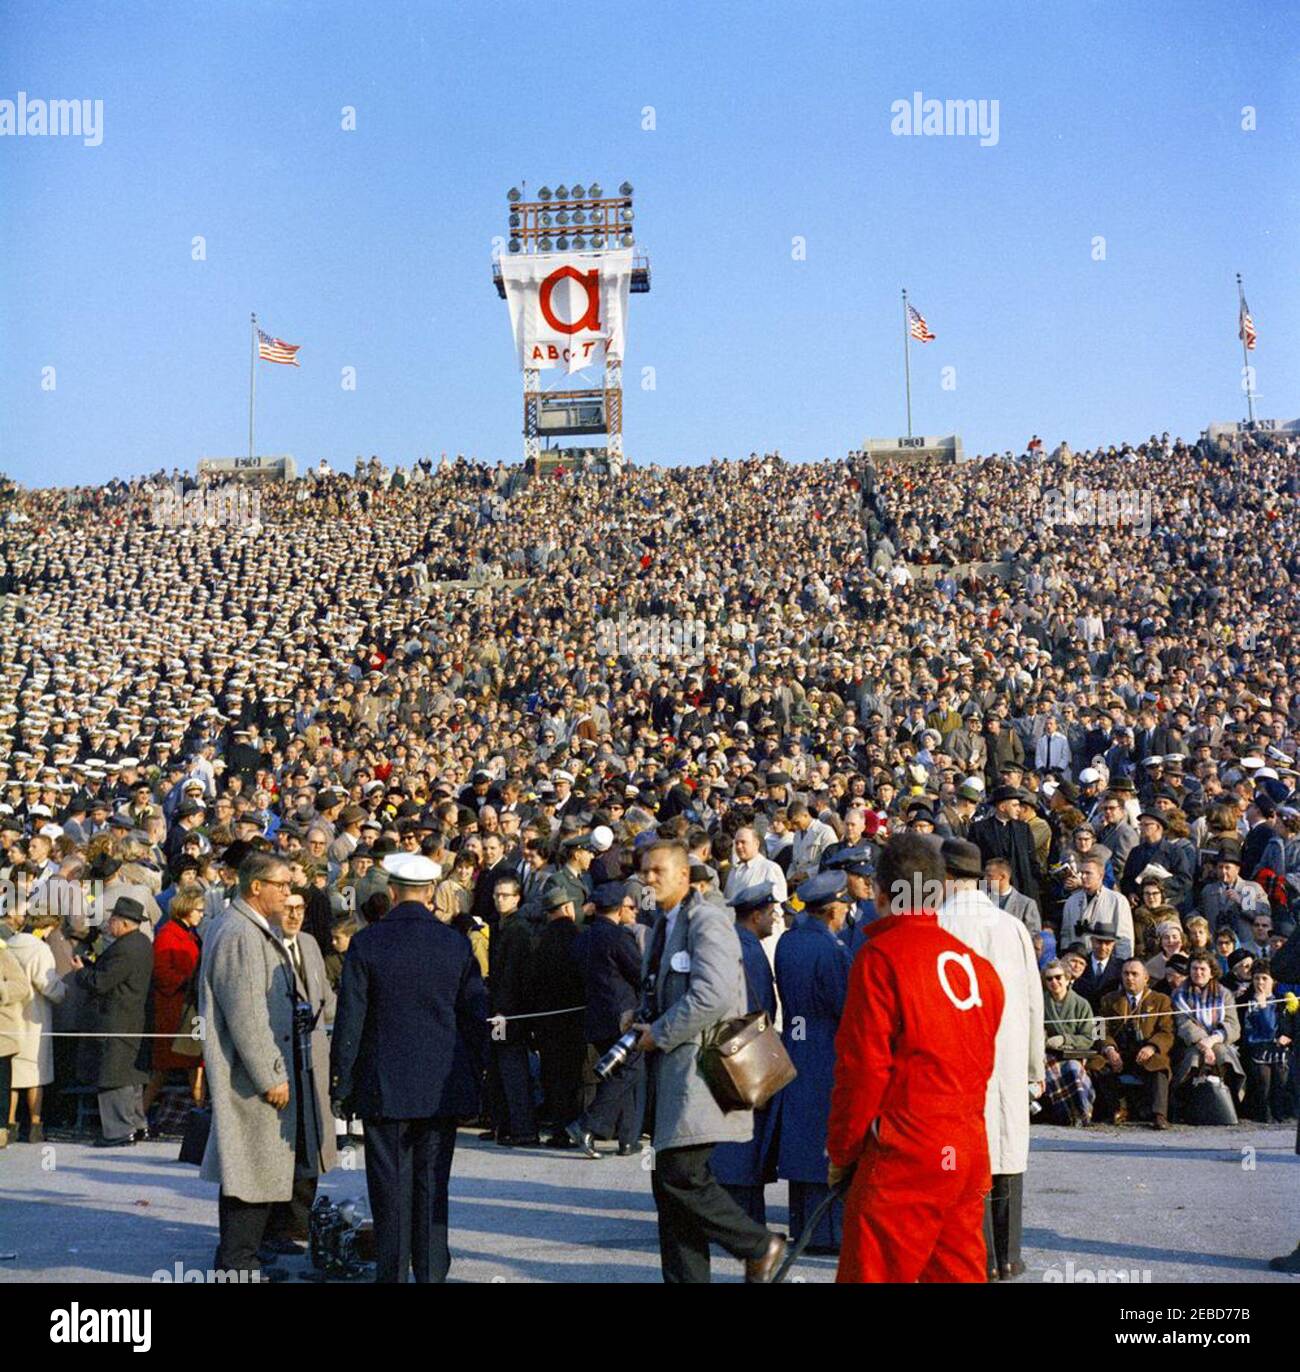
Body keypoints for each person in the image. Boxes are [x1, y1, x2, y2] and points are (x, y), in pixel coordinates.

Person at [827, 831, 1004, 1283]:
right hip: (964, 1146)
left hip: (907, 1152)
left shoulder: (880, 957)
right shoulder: (977, 969)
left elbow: (862, 1068)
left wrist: (843, 1149)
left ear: (881, 893)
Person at [629, 839, 786, 1283]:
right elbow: (672, 990)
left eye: (658, 870)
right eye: (644, 871)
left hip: (700, 1071)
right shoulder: (664, 923)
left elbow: (713, 995)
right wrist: (641, 1015)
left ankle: (758, 1245)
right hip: (674, 1074)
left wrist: (659, 1033)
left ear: (685, 876)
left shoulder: (706, 919)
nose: (649, 878)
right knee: (670, 1188)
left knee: (682, 1176)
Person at [330, 853, 487, 1283]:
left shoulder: (367, 943)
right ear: (432, 893)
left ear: (393, 893)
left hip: (385, 1086)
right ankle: (432, 1271)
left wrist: (341, 1082)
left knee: (390, 1189)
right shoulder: (455, 943)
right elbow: (476, 1017)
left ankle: (393, 1272)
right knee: (433, 1184)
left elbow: (351, 1021)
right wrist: (476, 1081)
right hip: (441, 1086)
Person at [198, 853, 327, 1277]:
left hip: (255, 1073)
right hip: (250, 1078)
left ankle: (240, 1258)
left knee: (254, 1167)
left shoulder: (248, 928)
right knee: (250, 1171)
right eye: (283, 886)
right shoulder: (240, 933)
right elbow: (247, 1015)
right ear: (257, 887)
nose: (289, 894)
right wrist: (271, 1074)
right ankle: (238, 1265)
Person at [936, 838, 1045, 1282]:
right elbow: (1035, 1002)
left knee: (966, 1155)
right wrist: (1035, 1067)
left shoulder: (936, 924)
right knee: (1006, 1146)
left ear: (945, 877)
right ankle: (1008, 1256)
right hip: (1008, 1053)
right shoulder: (1011, 926)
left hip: (955, 1056)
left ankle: (975, 1257)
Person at [771, 870, 854, 1253]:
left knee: (801, 1136)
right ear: (832, 910)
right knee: (824, 1136)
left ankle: (801, 1223)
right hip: (826, 1047)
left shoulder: (788, 942)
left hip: (796, 1042)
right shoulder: (832, 951)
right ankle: (829, 1231)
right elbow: (844, 1006)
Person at [263, 885, 336, 1253]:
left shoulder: (309, 945)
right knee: (279, 1150)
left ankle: (298, 1225)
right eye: (288, 908)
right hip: (279, 1063)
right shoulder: (264, 945)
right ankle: (275, 1229)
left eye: (300, 908)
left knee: (311, 1147)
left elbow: (325, 998)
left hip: (312, 1063)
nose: (294, 915)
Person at [711, 884, 780, 1224]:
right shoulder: (749, 952)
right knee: (745, 1141)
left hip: (727, 1050)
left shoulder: (734, 942)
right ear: (756, 916)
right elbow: (753, 1013)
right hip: (746, 1054)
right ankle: (743, 1219)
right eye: (771, 913)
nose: (775, 918)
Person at [567, 880, 643, 1157]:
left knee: (621, 1075)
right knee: (628, 1071)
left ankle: (627, 1138)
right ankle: (587, 1124)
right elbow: (639, 973)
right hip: (622, 1015)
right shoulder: (618, 938)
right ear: (619, 908)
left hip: (594, 1016)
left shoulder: (583, 937)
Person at [71, 896, 153, 1147]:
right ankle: (137, 1126)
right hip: (130, 1018)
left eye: (113, 920)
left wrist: (81, 972)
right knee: (131, 1077)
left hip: (117, 1019)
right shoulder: (141, 942)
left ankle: (118, 1131)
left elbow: (102, 982)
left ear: (125, 923)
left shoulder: (126, 948)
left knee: (114, 1076)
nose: (109, 924)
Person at [482, 874, 540, 1146]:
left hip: (510, 1013)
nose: (499, 899)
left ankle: (522, 1128)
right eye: (496, 895)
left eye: (504, 895)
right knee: (498, 1069)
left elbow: (516, 978)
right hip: (499, 1008)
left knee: (512, 1070)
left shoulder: (519, 930)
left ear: (517, 898)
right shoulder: (501, 926)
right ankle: (502, 1124)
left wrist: (505, 1013)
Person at [3, 906, 66, 1142]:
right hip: (34, 1017)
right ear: (46, 927)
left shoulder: (8, 944)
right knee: (35, 1074)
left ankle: (9, 1124)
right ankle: (35, 1125)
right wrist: (64, 988)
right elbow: (48, 985)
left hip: (10, 1017)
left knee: (12, 1075)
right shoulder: (40, 950)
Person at [142, 887, 205, 1115]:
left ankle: (200, 1111)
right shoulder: (168, 935)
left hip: (189, 1009)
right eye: (198, 910)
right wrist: (187, 981)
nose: (201, 914)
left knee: (196, 1064)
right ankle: (141, 1113)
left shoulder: (190, 934)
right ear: (186, 910)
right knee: (164, 1069)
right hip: (174, 1010)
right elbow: (160, 972)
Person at [1090, 959, 1174, 1129]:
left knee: (1160, 1064)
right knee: (1096, 1064)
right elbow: (1098, 1030)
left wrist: (1152, 1047)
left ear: (1146, 978)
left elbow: (1167, 1031)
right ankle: (1118, 1108)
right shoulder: (1108, 1000)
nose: (1130, 978)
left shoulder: (1160, 1000)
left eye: (1135, 974)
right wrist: (1109, 1049)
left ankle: (1159, 1114)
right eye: (1126, 974)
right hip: (1119, 1052)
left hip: (1146, 1052)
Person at [1170, 950, 1245, 1120]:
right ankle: (1187, 1106)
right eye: (1194, 968)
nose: (1198, 973)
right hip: (1190, 1043)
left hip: (1219, 1040)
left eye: (1203, 969)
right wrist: (1204, 1045)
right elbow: (1183, 1024)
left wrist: (1212, 1041)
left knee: (1223, 1054)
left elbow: (1233, 1025)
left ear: (1211, 972)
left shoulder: (1224, 994)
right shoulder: (1179, 995)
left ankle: (1228, 1104)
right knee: (1193, 1058)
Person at [1040, 960, 1099, 1126]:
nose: (1054, 982)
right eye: (1049, 979)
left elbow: (1089, 1037)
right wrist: (1044, 1040)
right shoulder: (1040, 1003)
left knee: (1073, 1069)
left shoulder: (1081, 1004)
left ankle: (1083, 1112)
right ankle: (1064, 1114)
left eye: (1058, 977)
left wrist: (1065, 1039)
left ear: (1067, 979)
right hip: (1047, 1053)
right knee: (1050, 1070)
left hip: (1073, 1053)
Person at [1239, 961, 1293, 1124]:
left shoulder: (1282, 1001)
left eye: (1264, 979)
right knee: (1263, 1081)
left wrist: (1287, 1035)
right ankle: (1264, 1112)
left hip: (1278, 1048)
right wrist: (1262, 1007)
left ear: (1273, 981)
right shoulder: (1246, 1001)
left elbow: (1285, 1026)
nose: (1260, 983)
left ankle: (1280, 1112)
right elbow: (1266, 1029)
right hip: (1255, 1048)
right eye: (1256, 979)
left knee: (1281, 1079)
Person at [0, 939, 33, 1149]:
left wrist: (1, 990)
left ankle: (1, 1129)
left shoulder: (2, 953)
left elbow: (22, 986)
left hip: (1, 1035)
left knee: (1, 1085)